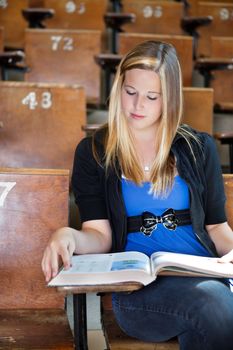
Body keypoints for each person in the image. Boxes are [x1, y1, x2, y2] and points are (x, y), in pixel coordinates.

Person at [42, 40, 233, 350]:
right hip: (140, 292)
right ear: (119, 88)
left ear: (169, 100)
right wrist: (68, 236)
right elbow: (99, 235)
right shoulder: (94, 152)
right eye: (130, 92)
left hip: (204, 275)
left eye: (151, 97)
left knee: (212, 312)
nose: (137, 105)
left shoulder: (198, 148)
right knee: (214, 306)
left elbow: (217, 229)